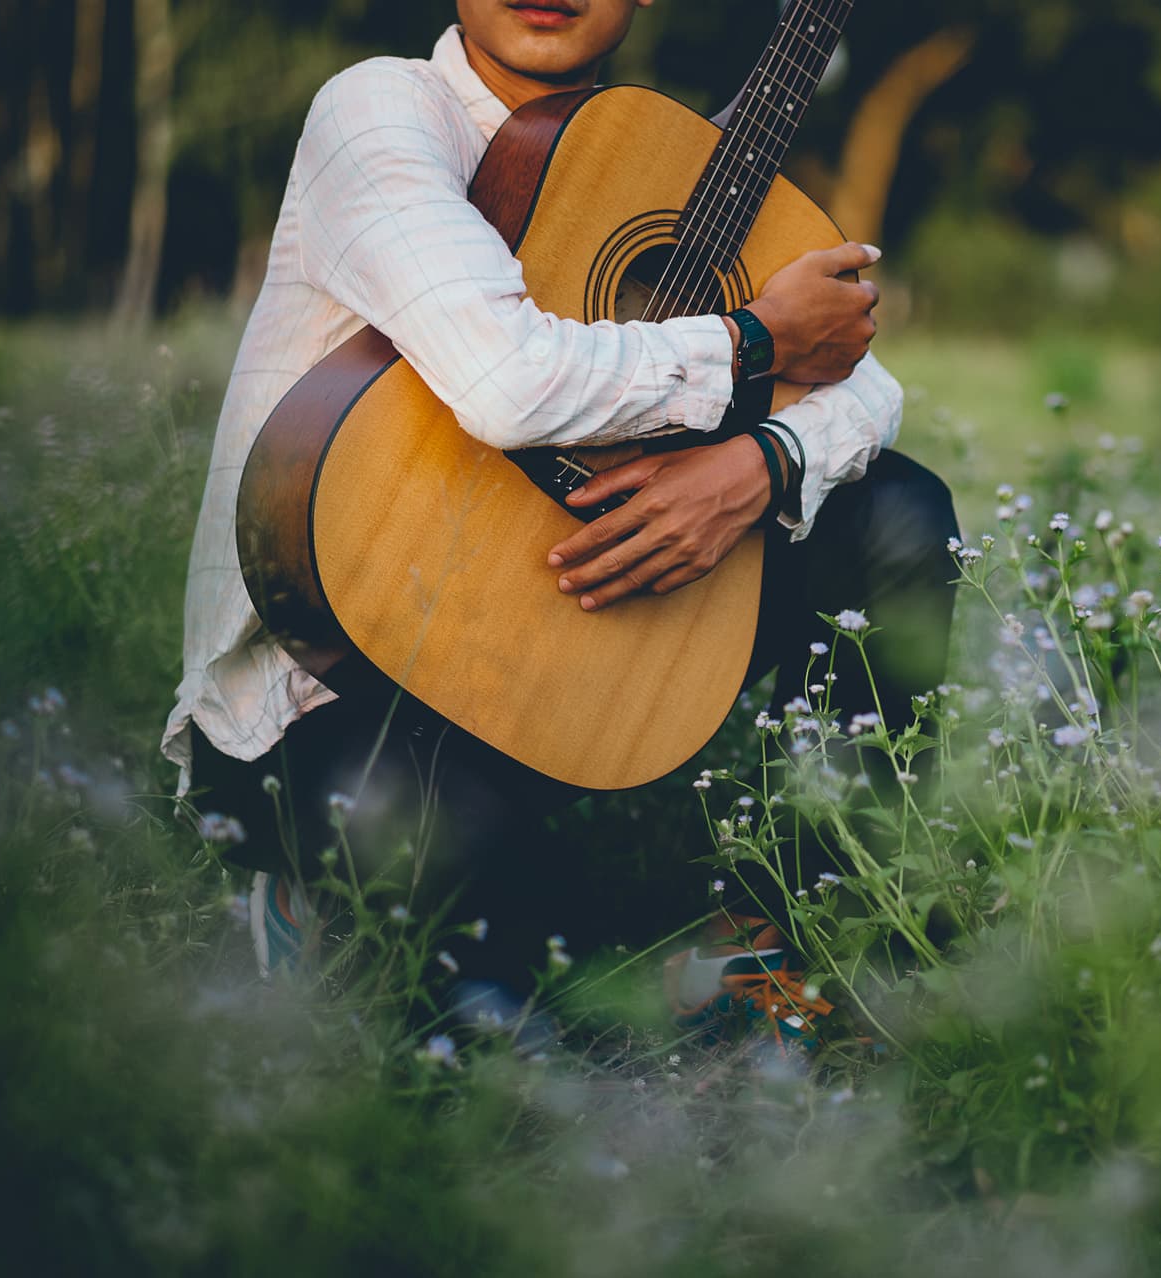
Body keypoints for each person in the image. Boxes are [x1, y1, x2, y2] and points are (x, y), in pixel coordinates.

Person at [161, 0, 958, 1049]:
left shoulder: (654, 153)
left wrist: (759, 464)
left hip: (567, 633)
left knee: (901, 513)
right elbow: (504, 379)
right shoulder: (378, 110)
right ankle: (313, 897)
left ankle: (785, 936)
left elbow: (868, 381)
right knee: (488, 1014)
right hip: (342, 674)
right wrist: (758, 345)